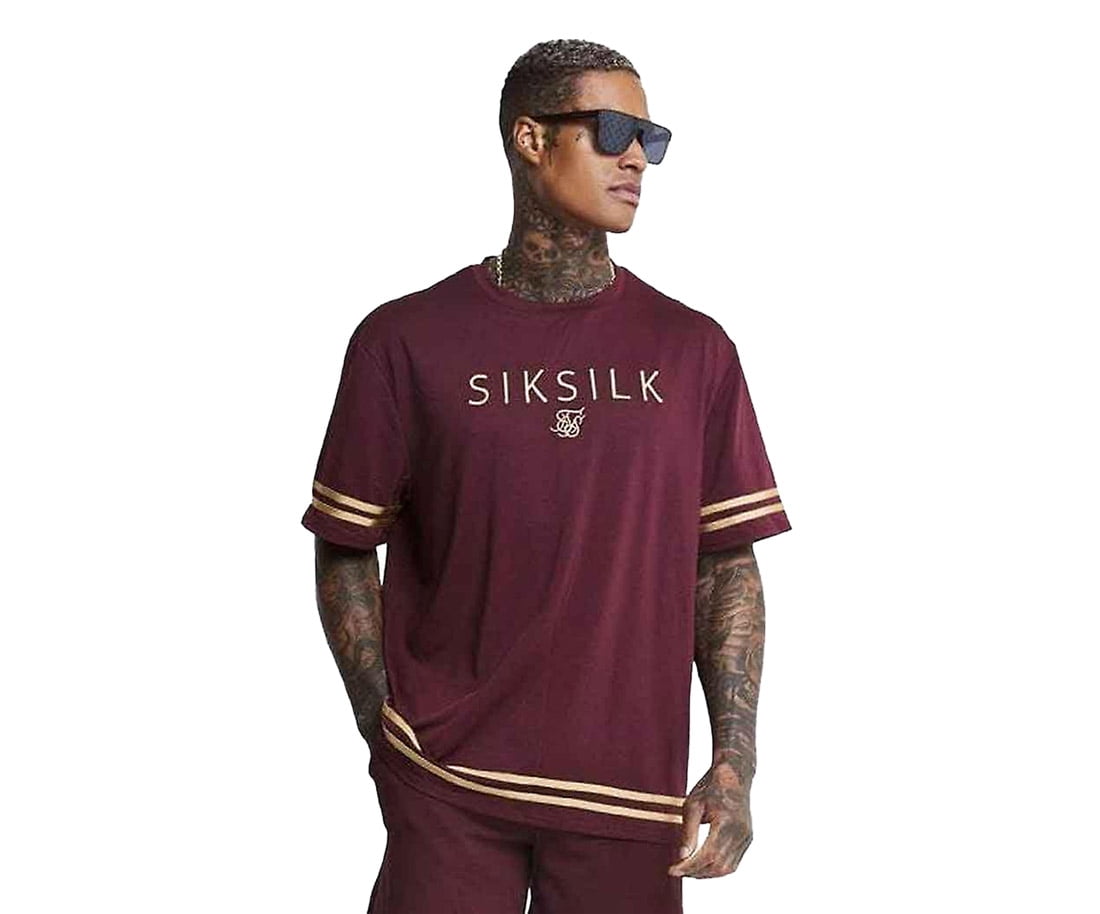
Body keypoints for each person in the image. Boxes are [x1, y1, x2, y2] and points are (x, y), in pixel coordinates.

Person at [302, 37, 791, 914]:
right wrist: (384, 729)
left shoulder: (693, 350)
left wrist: (735, 761)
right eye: (613, 131)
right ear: (530, 139)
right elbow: (344, 545)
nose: (637, 158)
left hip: (628, 796)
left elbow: (724, 565)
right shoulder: (403, 341)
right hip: (448, 786)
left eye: (651, 138)